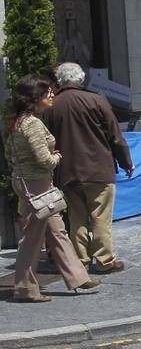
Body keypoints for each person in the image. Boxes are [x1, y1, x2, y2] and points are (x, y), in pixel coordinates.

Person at [5, 76, 100, 302]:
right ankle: (26, 289)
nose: (51, 95)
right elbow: (44, 160)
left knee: (57, 232)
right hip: (37, 185)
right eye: (47, 92)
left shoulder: (17, 122)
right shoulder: (33, 124)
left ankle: (78, 277)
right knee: (31, 239)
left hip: (30, 182)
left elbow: (10, 156)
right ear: (34, 97)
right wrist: (56, 157)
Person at [46, 62, 133, 274]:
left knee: (77, 218)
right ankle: (105, 260)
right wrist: (126, 162)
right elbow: (115, 136)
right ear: (81, 79)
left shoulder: (52, 106)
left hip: (67, 171)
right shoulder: (96, 100)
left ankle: (80, 261)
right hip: (98, 169)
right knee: (100, 217)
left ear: (60, 80)